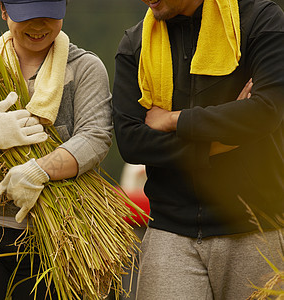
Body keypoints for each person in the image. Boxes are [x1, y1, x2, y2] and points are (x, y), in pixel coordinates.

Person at [0, 0, 113, 299]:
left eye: (48, 15)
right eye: (27, 16)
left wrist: (39, 170)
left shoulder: (84, 67)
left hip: (58, 237)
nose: (38, 26)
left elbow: (95, 136)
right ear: (4, 11)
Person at [112, 0, 283, 299]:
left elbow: (265, 112)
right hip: (169, 231)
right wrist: (219, 142)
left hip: (257, 229)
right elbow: (131, 141)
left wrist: (173, 120)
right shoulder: (135, 43)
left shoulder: (261, 19)